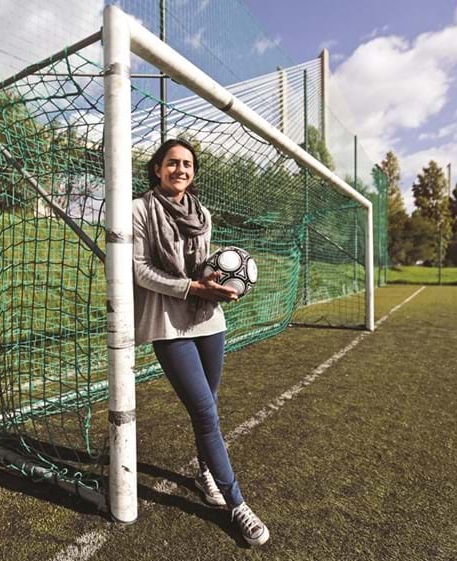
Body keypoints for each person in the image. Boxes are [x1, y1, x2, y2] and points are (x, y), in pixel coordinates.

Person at [132, 138, 270, 547]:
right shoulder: (140, 210)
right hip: (168, 324)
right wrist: (191, 287)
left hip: (209, 322)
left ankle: (204, 471)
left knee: (207, 404)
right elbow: (139, 269)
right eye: (172, 163)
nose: (181, 170)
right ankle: (237, 504)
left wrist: (216, 287)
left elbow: (207, 266)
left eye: (188, 164)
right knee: (206, 412)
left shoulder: (203, 214)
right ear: (157, 169)